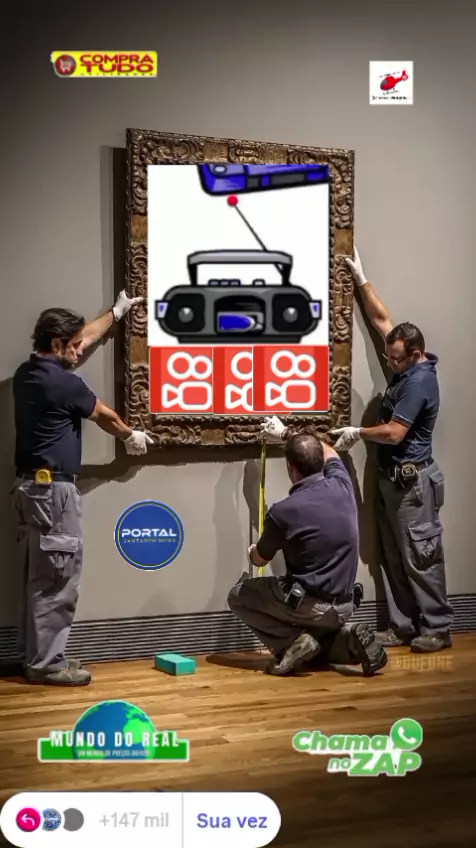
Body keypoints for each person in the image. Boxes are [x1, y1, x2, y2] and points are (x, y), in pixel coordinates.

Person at [11, 292, 153, 686]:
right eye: (73, 346)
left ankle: (35, 656)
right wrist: (130, 436)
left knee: (39, 578)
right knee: (57, 580)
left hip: (30, 490)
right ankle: (47, 665)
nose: (79, 351)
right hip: (53, 496)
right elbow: (106, 416)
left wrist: (115, 314)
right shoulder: (64, 384)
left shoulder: (27, 372)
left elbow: (86, 336)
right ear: (57, 344)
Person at [330, 247, 453, 653]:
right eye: (389, 355)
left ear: (415, 355)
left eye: (395, 359)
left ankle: (437, 628)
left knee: (421, 556)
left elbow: (396, 433)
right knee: (393, 556)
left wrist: (358, 432)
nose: (389, 361)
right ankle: (403, 626)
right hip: (391, 481)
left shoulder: (419, 382)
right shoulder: (404, 357)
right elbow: (383, 320)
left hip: (412, 485)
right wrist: (361, 279)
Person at [227, 431, 387, 676]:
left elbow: (259, 559)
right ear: (320, 460)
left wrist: (253, 552)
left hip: (309, 607)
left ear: (291, 468)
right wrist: (287, 434)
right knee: (317, 641)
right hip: (346, 605)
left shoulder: (283, 512)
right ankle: (348, 641)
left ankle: (291, 644)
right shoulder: (341, 483)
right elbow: (330, 451)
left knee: (238, 595)